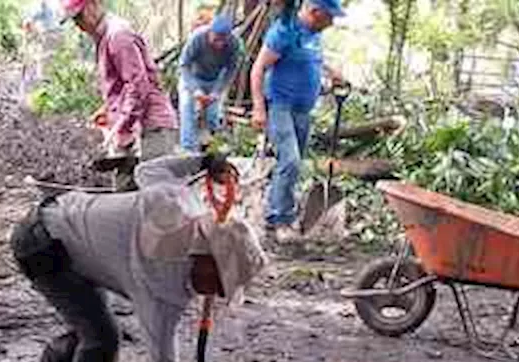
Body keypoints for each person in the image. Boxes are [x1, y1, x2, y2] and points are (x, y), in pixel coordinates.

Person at [10, 153, 267, 362]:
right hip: (42, 247)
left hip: (66, 227)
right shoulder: (159, 283)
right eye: (219, 283)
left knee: (87, 320)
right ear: (203, 259)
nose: (216, 294)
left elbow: (149, 169)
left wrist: (203, 161)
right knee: (101, 338)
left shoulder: (178, 203)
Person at [249, 0, 346, 240]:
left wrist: (332, 75)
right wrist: (259, 108)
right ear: (315, 13)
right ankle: (281, 220)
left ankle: (275, 210)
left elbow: (312, 61)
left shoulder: (313, 35)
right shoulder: (284, 31)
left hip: (303, 110)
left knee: (292, 164)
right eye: (329, 18)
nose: (332, 24)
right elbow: (258, 68)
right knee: (290, 161)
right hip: (280, 106)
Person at [62, 0, 180, 191]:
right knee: (125, 196)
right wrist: (109, 110)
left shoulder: (118, 36)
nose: (79, 26)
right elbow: (123, 86)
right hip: (136, 128)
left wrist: (122, 126)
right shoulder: (105, 37)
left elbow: (138, 86)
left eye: (79, 17)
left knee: (156, 199)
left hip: (151, 129)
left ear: (93, 5)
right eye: (74, 21)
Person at [178, 13, 245, 153]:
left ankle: (212, 147)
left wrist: (218, 91)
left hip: (215, 80)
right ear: (209, 32)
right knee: (187, 110)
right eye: (216, 39)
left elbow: (231, 70)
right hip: (192, 78)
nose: (219, 44)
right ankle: (188, 150)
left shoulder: (234, 44)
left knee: (213, 116)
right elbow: (184, 65)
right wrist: (195, 89)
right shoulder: (197, 38)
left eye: (223, 40)